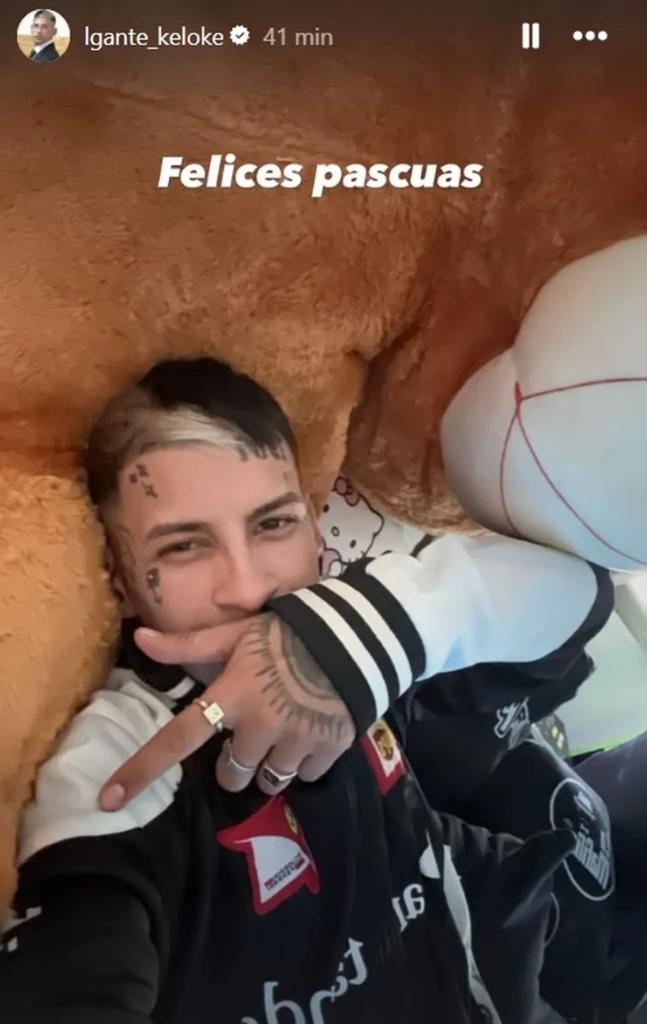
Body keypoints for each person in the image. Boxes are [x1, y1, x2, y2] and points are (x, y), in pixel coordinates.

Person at [1, 356, 613, 1023]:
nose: (248, 588)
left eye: (273, 524)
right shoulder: (118, 761)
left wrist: (368, 637)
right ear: (119, 583)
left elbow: (580, 593)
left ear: (316, 532)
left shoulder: (365, 635)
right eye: (182, 547)